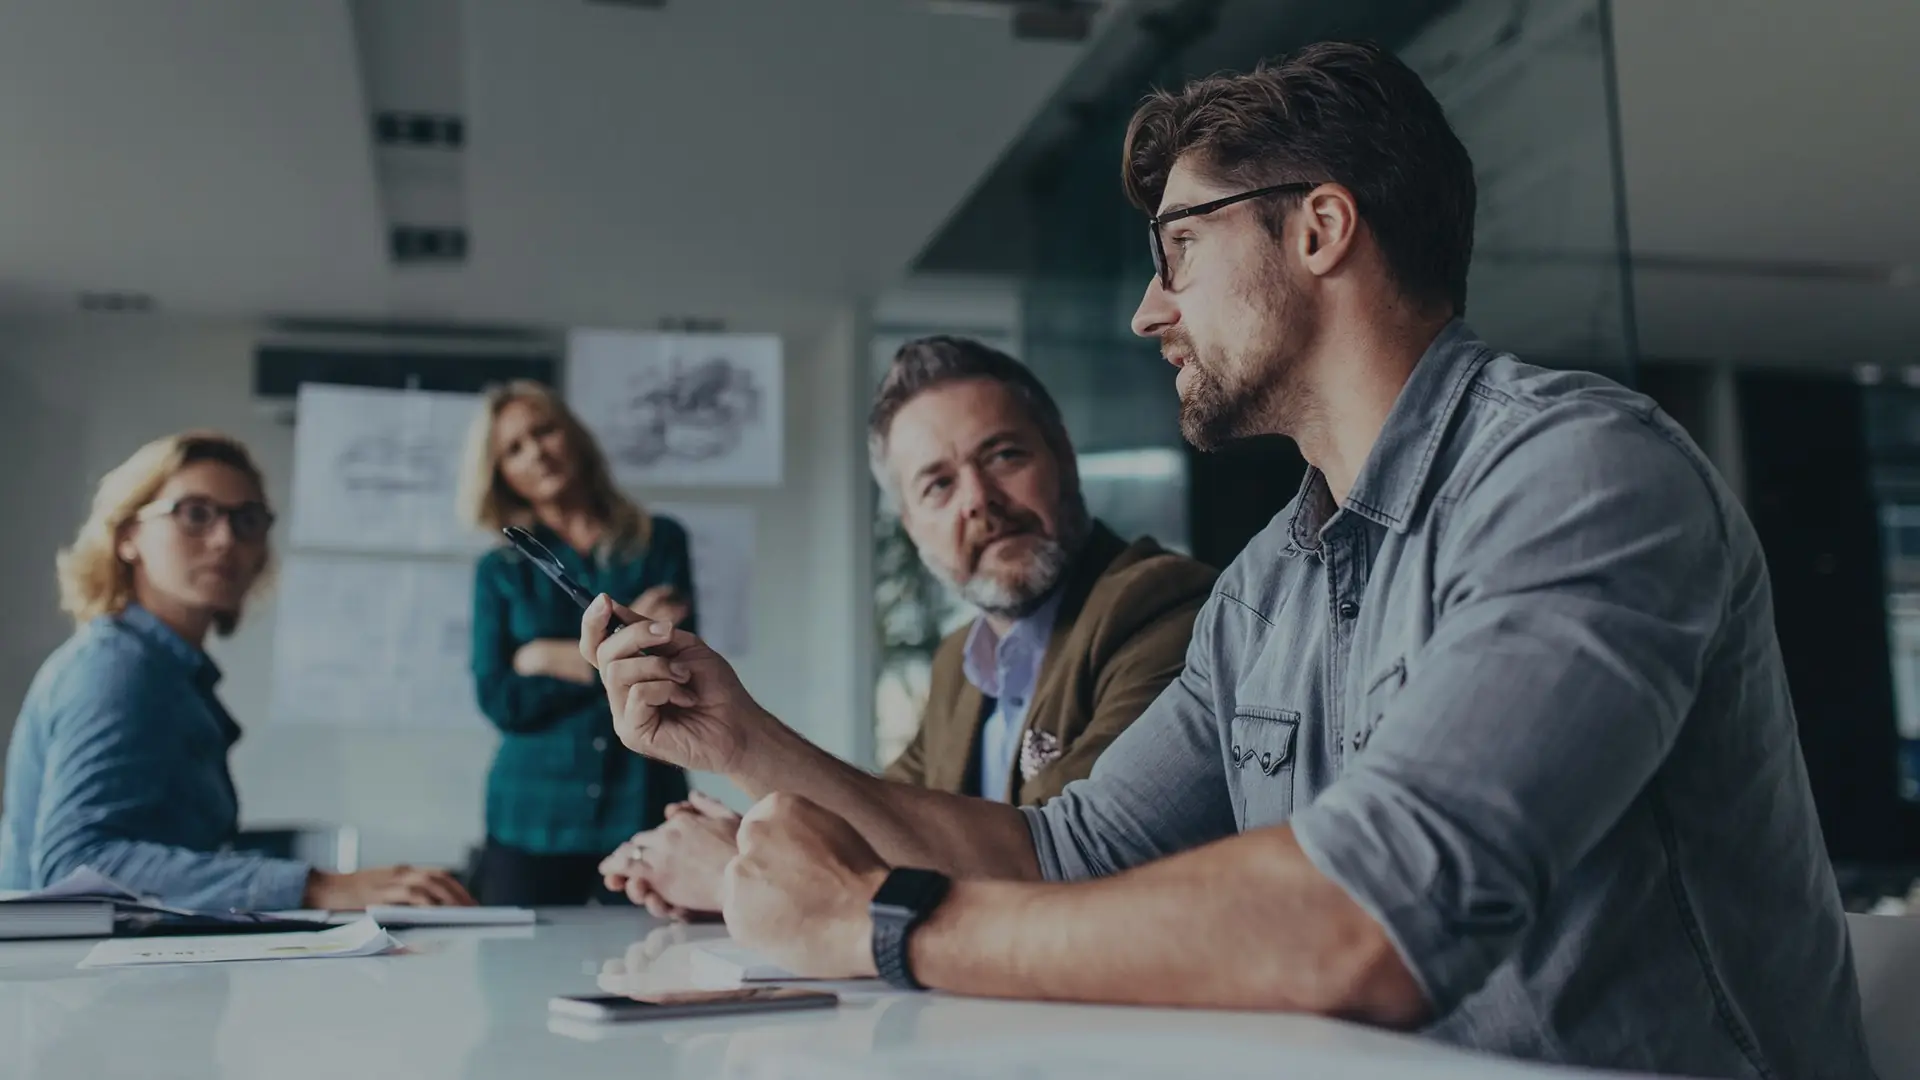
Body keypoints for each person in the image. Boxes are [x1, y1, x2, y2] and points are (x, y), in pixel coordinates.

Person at [579, 41, 1872, 1079]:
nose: (1151, 307)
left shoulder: (1582, 476)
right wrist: (739, 741)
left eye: (1181, 247)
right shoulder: (1271, 582)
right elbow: (1065, 854)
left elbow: (1369, 918)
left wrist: (877, 925)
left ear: (1320, 229)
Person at [598, 337, 1216, 916]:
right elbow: (883, 827)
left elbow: (1055, 867)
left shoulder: (1163, 608)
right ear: (911, 526)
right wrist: (756, 835)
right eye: (938, 485)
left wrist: (741, 867)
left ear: (1063, 459)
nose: (977, 499)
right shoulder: (960, 662)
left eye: (1003, 455)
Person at [0, 432, 473, 911]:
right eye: (194, 514)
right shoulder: (117, 667)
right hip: (66, 979)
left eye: (247, 520)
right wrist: (317, 886)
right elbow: (76, 865)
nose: (226, 539)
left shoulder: (171, 674)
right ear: (128, 537)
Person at [461, 380, 694, 906]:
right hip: (531, 816)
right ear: (501, 475)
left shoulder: (660, 543)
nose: (537, 452)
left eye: (544, 431)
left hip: (640, 804)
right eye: (514, 449)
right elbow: (501, 699)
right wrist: (614, 658)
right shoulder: (498, 571)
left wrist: (543, 657)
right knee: (515, 978)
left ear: (574, 436)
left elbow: (668, 669)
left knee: (650, 968)